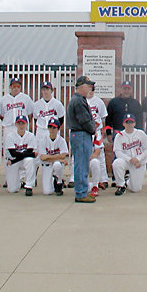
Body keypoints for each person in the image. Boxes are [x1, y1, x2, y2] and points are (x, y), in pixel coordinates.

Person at [66, 75, 97, 203]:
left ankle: (82, 191)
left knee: (81, 164)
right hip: (81, 134)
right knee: (82, 164)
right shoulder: (79, 101)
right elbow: (85, 120)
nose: (90, 88)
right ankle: (81, 193)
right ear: (81, 87)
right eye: (88, 86)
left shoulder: (78, 99)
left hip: (78, 134)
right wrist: (93, 128)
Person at [0, 77, 34, 185]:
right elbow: (1, 115)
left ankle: (23, 178)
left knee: (23, 151)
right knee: (8, 153)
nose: (16, 88)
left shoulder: (26, 98)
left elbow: (30, 114)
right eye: (14, 86)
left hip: (21, 126)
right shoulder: (4, 99)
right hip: (9, 127)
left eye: (18, 86)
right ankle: (9, 178)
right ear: (10, 87)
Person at [112, 114, 147, 195]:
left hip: (139, 162)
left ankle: (127, 181)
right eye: (127, 122)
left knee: (135, 189)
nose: (129, 124)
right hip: (127, 161)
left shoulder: (140, 133)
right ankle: (121, 185)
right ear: (123, 124)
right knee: (117, 163)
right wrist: (129, 159)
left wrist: (138, 159)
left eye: (131, 122)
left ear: (134, 123)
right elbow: (118, 152)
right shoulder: (119, 136)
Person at [4, 115, 37, 196]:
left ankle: (29, 186)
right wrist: (30, 154)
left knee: (30, 160)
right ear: (16, 124)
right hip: (14, 161)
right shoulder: (10, 136)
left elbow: (30, 152)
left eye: (23, 123)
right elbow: (13, 153)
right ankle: (18, 183)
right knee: (12, 189)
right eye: (19, 123)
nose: (21, 126)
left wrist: (13, 161)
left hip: (17, 161)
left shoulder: (31, 136)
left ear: (26, 124)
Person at [37, 117, 68, 196]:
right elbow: (42, 157)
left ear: (58, 129)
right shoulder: (43, 140)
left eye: (54, 127)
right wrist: (58, 158)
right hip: (46, 165)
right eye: (50, 127)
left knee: (57, 165)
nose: (52, 129)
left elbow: (63, 155)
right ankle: (53, 179)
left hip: (56, 164)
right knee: (47, 192)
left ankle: (59, 182)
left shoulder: (61, 140)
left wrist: (50, 157)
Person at [87, 86, 109, 190]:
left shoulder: (98, 102)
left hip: (97, 130)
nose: (91, 92)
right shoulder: (82, 101)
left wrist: (102, 130)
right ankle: (74, 178)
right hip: (86, 131)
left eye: (93, 89)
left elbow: (103, 117)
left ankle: (103, 179)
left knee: (100, 156)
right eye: (89, 89)